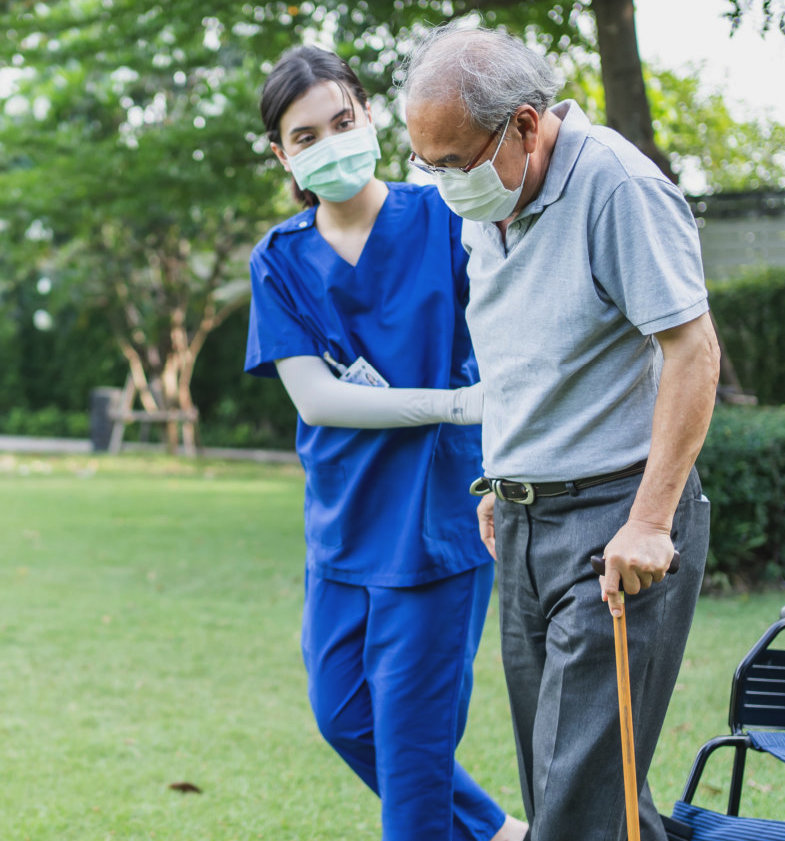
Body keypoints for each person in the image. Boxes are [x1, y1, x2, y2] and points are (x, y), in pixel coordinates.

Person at [399, 25, 721, 841]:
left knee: (572, 805)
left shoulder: (617, 187)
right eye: (425, 164)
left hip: (616, 523)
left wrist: (650, 523)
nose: (442, 184)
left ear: (526, 125)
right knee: (582, 791)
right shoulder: (490, 196)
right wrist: (501, 474)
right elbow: (523, 351)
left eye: (454, 163)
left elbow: (692, 352)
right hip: (522, 521)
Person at [244, 45, 528, 841]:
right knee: (342, 717)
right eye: (305, 135)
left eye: (342, 120)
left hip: (434, 528)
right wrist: (451, 403)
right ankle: (504, 832)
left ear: (367, 116)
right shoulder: (280, 258)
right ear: (283, 154)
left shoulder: (444, 219)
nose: (329, 141)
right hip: (340, 526)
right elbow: (318, 398)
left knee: (411, 759)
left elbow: (515, 323)